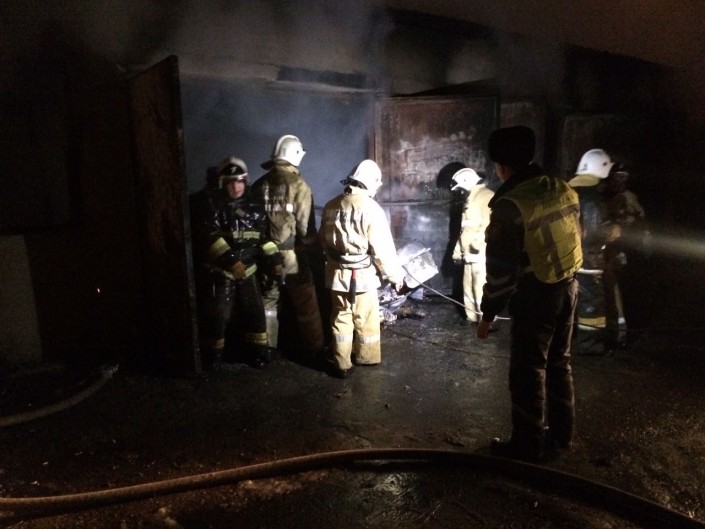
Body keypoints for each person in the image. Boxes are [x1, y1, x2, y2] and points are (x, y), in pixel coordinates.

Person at [476, 126, 583, 462]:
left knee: (528, 371)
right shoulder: (560, 188)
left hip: (537, 294)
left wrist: (487, 314)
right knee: (559, 362)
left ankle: (526, 445)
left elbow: (500, 274)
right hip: (569, 285)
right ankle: (562, 435)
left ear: (501, 167)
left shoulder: (510, 206)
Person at [191, 156, 283, 370]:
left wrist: (274, 260)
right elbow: (209, 237)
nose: (236, 186)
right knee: (218, 316)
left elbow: (264, 239)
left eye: (240, 181)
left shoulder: (255, 206)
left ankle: (258, 353)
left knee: (255, 314)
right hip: (222, 272)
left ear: (246, 181)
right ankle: (212, 356)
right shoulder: (212, 205)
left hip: (249, 271)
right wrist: (231, 262)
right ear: (222, 183)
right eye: (231, 182)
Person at [319, 159, 406, 379]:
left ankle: (342, 363)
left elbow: (322, 240)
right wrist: (395, 276)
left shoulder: (330, 205)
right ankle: (366, 358)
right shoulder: (371, 208)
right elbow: (383, 248)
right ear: (371, 183)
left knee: (340, 317)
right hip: (362, 276)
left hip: (336, 275)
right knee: (365, 318)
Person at [250, 135, 326, 364]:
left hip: (265, 255)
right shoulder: (298, 185)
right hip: (291, 256)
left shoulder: (258, 185)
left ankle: (266, 348)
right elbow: (305, 229)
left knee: (269, 301)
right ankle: (313, 349)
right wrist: (316, 250)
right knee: (305, 301)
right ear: (296, 156)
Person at [568, 149, 621, 355]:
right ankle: (590, 345)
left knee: (568, 301)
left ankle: (566, 339)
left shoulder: (567, 190)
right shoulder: (592, 197)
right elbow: (593, 233)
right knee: (592, 304)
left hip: (564, 257)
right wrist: (613, 231)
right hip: (587, 259)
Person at [601, 161, 651, 347]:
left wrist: (643, 242)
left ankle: (623, 334)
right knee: (609, 294)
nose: (621, 181)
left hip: (627, 251)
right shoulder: (602, 198)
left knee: (625, 294)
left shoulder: (629, 198)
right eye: (618, 176)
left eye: (624, 177)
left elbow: (640, 223)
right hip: (609, 253)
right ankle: (614, 333)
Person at [450, 168, 494, 324]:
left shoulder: (486, 196)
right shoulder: (471, 199)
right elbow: (465, 229)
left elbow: (491, 224)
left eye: (461, 188)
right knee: (468, 288)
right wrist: (458, 250)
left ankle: (487, 322)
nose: (460, 192)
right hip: (469, 255)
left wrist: (477, 244)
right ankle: (473, 318)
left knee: (481, 288)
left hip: (480, 255)